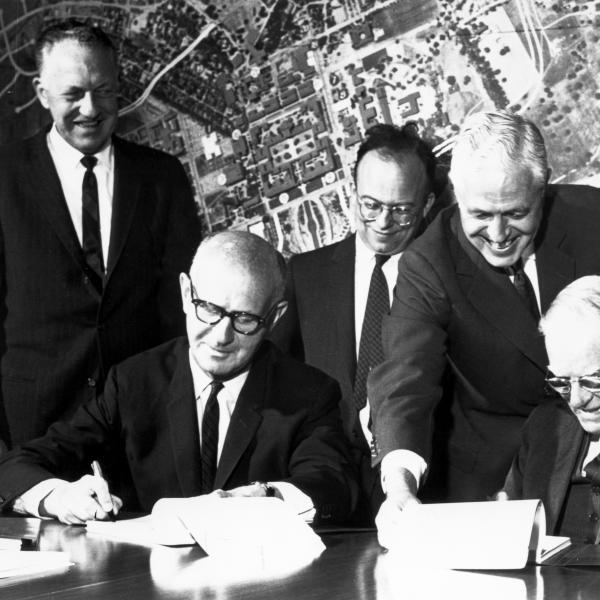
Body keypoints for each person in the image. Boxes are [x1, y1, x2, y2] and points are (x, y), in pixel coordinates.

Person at [0, 232, 359, 525]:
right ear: (187, 294)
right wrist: (59, 496)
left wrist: (269, 496)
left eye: (245, 319)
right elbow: (15, 466)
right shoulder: (132, 382)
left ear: (275, 317)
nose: (221, 336)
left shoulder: (309, 394)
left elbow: (333, 484)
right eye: (209, 309)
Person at [369, 110, 600, 539]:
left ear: (543, 185)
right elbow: (404, 381)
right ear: (456, 192)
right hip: (493, 485)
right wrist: (400, 486)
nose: (498, 234)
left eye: (515, 213)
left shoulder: (593, 219)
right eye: (479, 214)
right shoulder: (428, 263)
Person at [0, 20, 200, 449]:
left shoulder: (163, 178)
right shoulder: (4, 179)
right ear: (41, 94)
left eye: (104, 91)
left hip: (145, 428)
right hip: (35, 429)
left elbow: (180, 311)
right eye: (73, 94)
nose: (90, 109)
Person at [271, 123, 437, 523]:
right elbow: (274, 376)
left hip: (422, 490)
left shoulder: (441, 278)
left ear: (428, 204)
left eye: (401, 210)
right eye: (371, 205)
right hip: (326, 492)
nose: (382, 222)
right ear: (352, 195)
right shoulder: (305, 275)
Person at [503, 276, 600, 542]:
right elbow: (509, 533)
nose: (577, 400)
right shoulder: (546, 427)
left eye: (593, 380)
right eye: (562, 382)